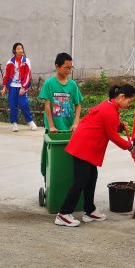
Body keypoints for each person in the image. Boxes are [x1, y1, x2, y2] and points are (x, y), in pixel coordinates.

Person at [54, 84, 135, 227]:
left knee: (91, 178)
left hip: (88, 147)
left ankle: (89, 210)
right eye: (129, 101)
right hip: (84, 146)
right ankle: (63, 214)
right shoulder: (109, 110)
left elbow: (106, 126)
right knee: (81, 180)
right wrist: (130, 147)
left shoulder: (110, 107)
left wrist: (119, 126)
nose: (128, 105)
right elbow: (112, 136)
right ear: (122, 96)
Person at [39, 52, 84, 180]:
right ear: (57, 66)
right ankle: (50, 182)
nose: (69, 70)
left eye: (71, 68)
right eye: (66, 67)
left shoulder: (72, 85)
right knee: (51, 159)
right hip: (53, 130)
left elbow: (78, 104)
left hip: (69, 129)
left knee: (68, 159)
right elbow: (47, 106)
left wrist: (76, 123)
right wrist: (51, 126)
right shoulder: (49, 84)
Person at [2, 42, 36, 132]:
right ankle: (14, 124)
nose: (21, 50)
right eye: (18, 49)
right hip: (12, 86)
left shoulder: (26, 61)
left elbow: (28, 75)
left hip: (22, 86)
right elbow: (6, 75)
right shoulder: (10, 62)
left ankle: (30, 122)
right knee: (13, 105)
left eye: (21, 48)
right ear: (14, 51)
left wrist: (23, 87)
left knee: (23, 104)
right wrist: (4, 86)